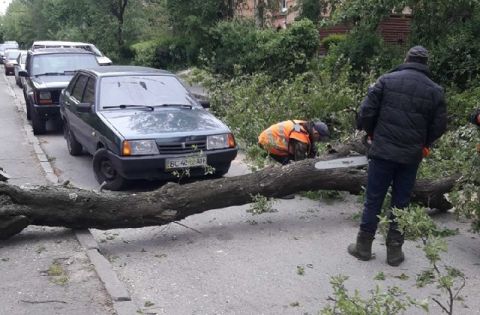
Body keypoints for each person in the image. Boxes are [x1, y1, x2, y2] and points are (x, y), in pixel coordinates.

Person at [348, 45, 447, 266]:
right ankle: (394, 251)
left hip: (383, 151)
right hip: (410, 156)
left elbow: (366, 112)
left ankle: (363, 246)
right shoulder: (435, 90)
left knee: (373, 198)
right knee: (401, 201)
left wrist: (373, 133)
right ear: (425, 64)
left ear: (406, 58)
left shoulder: (385, 80)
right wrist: (423, 143)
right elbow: (440, 125)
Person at [258, 120, 330, 165]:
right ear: (316, 133)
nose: (318, 141)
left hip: (266, 136)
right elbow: (300, 162)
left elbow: (312, 148)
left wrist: (316, 157)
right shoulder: (300, 136)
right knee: (291, 163)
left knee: (293, 153)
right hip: (267, 141)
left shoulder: (302, 125)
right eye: (319, 139)